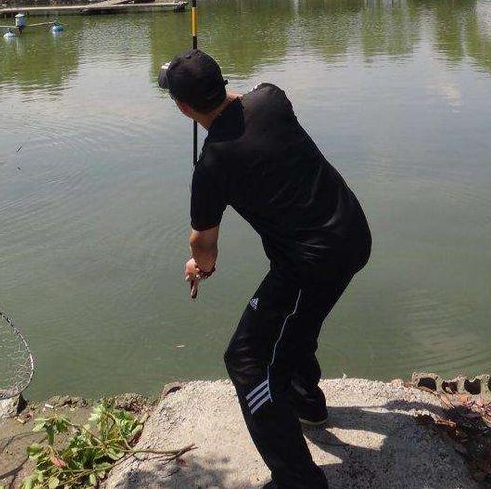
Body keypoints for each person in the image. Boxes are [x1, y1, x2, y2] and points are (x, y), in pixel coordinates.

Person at [158, 49, 371, 489]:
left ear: (182, 107)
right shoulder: (272, 98)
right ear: (223, 81)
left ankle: (298, 480)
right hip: (352, 232)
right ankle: (305, 399)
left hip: (313, 262)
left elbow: (204, 244)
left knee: (247, 360)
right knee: (294, 320)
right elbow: (241, 100)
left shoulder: (212, 164)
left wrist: (200, 265)